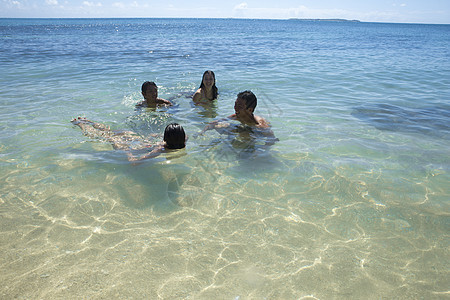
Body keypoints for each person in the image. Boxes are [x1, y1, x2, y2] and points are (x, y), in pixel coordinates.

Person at [71, 117, 186, 161]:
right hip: (131, 145)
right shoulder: (163, 148)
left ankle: (88, 122)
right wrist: (128, 153)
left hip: (137, 140)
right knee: (103, 136)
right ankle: (80, 124)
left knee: (108, 132)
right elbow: (135, 162)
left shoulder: (167, 143)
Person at [197, 90, 278, 145]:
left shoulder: (260, 125)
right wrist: (202, 132)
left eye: (239, 106)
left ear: (250, 109)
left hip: (256, 134)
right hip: (245, 128)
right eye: (235, 104)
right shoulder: (237, 116)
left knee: (244, 135)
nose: (235, 108)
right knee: (222, 127)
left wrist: (262, 151)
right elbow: (214, 123)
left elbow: (272, 139)